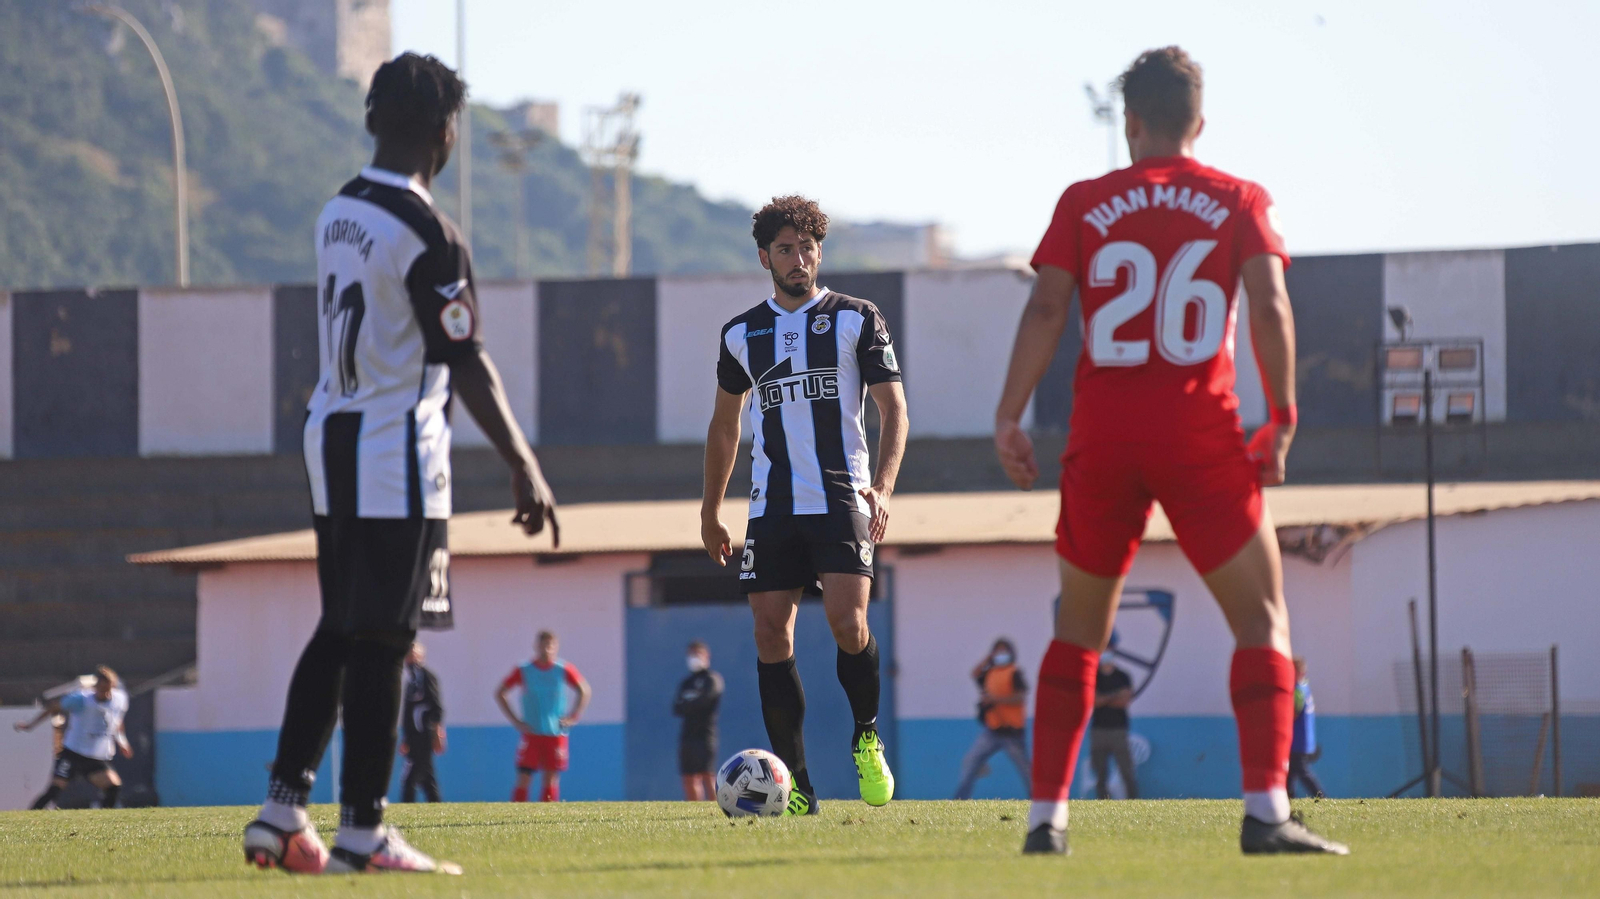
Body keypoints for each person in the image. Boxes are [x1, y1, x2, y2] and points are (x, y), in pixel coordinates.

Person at [993, 46, 1347, 856]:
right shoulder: (1238, 199)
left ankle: (1047, 820)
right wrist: (1283, 415)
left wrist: (1009, 414)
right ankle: (1266, 811)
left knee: (1078, 633)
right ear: (1200, 122)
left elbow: (1048, 306)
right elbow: (1270, 305)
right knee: (1263, 621)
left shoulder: (1085, 200)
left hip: (1104, 436)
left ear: (1131, 123)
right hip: (1201, 432)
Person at [242, 51, 560, 877]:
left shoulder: (337, 211)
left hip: (332, 435)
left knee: (339, 625)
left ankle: (281, 810)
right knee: (384, 640)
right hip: (395, 452)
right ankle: (363, 832)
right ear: (446, 130)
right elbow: (465, 358)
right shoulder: (428, 232)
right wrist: (523, 461)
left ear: (374, 117)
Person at [700, 196, 908, 816]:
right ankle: (797, 788)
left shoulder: (855, 317)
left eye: (808, 248)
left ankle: (866, 736)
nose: (799, 259)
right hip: (772, 505)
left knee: (849, 624)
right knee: (770, 634)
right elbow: (723, 426)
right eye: (786, 249)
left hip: (843, 496)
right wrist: (711, 511)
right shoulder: (740, 333)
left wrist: (886, 486)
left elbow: (893, 410)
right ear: (765, 257)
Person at [495, 631, 591, 803]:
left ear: (556, 647)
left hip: (555, 733)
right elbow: (500, 692)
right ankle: (515, 816)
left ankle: (547, 818)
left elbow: (584, 690)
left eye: (550, 645)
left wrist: (573, 717)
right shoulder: (525, 670)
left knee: (551, 777)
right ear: (536, 646)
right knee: (524, 776)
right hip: (532, 732)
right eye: (543, 645)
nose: (546, 649)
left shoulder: (563, 669)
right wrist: (516, 721)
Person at [26, 667, 130, 811]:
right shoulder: (81, 699)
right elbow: (54, 706)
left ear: (112, 686)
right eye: (100, 689)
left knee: (114, 786)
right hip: (73, 753)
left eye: (107, 690)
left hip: (95, 757)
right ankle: (30, 816)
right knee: (54, 790)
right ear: (95, 686)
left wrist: (122, 742)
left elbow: (117, 722)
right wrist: (31, 724)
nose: (103, 694)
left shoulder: (120, 699)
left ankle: (105, 821)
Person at [953, 639, 1030, 800]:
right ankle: (959, 800)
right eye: (997, 651)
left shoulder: (1014, 672)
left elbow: (1021, 697)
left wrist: (996, 700)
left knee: (1027, 772)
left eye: (1004, 651)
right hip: (993, 730)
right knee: (970, 762)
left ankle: (1039, 801)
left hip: (1012, 732)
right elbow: (975, 674)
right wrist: (988, 658)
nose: (1000, 655)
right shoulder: (991, 673)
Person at [673, 640, 725, 801]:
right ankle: (693, 809)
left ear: (706, 655)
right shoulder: (686, 682)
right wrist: (692, 703)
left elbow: (706, 700)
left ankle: (714, 808)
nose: (694, 657)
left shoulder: (712, 679)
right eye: (691, 654)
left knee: (707, 774)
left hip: (705, 735)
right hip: (687, 735)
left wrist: (690, 703)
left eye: (697, 654)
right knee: (688, 777)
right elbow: (676, 707)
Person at [399, 642, 446, 803]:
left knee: (409, 780)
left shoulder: (427, 676)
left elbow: (437, 707)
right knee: (427, 778)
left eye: (413, 654)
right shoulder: (410, 681)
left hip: (424, 735)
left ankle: (406, 812)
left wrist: (436, 733)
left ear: (421, 655)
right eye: (408, 654)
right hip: (413, 736)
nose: (410, 659)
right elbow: (407, 712)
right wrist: (405, 738)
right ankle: (437, 808)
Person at [1091, 654, 1139, 800]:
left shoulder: (1122, 676)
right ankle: (1104, 804)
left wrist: (1103, 698)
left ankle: (1134, 803)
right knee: (1100, 773)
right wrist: (1115, 695)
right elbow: (1093, 702)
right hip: (1098, 730)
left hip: (1119, 730)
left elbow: (1124, 701)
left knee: (1127, 771)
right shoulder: (1094, 676)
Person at [1289, 656, 1325, 799]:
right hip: (1302, 739)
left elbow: (1292, 714)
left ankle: (1320, 796)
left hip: (1296, 740)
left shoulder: (1297, 691)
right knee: (1291, 771)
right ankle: (1287, 797)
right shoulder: (1305, 688)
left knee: (1301, 771)